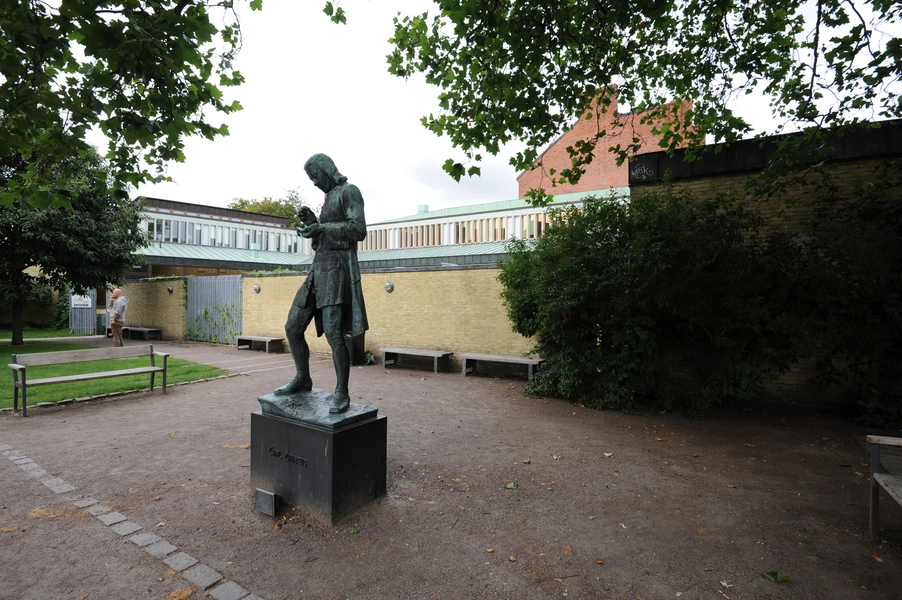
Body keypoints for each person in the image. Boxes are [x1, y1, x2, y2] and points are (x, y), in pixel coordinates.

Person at [274, 154, 368, 413]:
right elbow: (324, 237)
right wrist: (314, 224)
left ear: (327, 170)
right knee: (293, 326)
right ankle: (303, 378)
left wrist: (322, 228)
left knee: (333, 334)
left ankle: (342, 392)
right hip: (317, 272)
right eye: (311, 178)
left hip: (337, 274)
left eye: (315, 176)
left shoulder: (349, 192)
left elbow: (358, 230)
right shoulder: (328, 198)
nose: (314, 183)